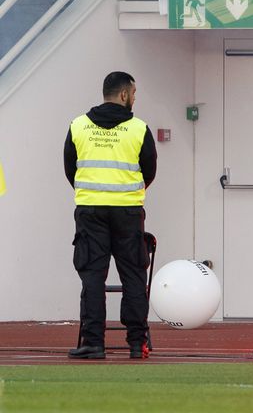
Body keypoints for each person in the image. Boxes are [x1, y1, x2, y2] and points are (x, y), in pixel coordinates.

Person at [65, 72, 157, 360]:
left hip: (90, 211)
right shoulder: (139, 129)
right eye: (134, 94)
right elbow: (149, 171)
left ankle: (93, 343)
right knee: (133, 275)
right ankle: (136, 344)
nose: (134, 99)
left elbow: (71, 169)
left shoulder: (78, 126)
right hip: (128, 213)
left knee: (92, 276)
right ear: (123, 95)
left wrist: (93, 193)